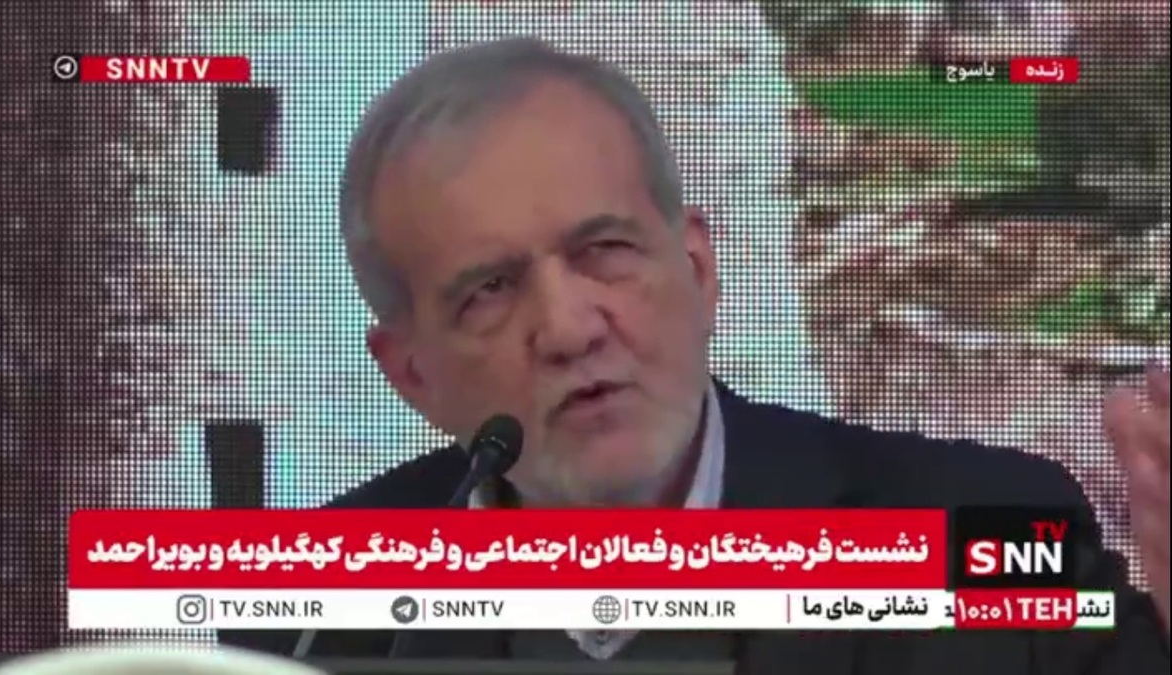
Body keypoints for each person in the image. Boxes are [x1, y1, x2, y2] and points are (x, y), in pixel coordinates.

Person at [219, 37, 1170, 673]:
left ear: (700, 270)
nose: (570, 328)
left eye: (605, 251)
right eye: (490, 291)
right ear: (412, 375)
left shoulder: (982, 541)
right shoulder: (302, 622)